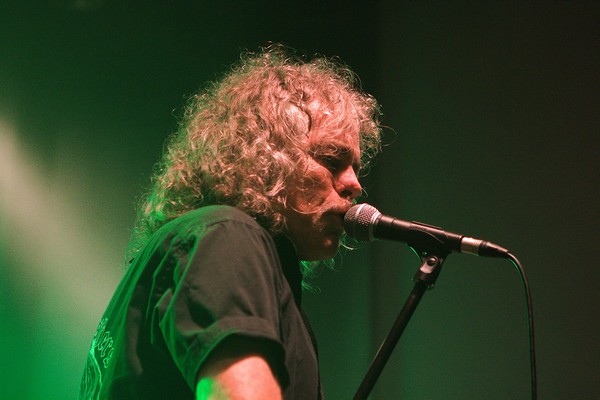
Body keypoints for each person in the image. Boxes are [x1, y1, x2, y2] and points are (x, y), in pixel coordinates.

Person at [78, 44, 382, 399]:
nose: (354, 184)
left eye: (355, 167)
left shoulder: (203, 242)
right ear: (268, 155)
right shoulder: (226, 236)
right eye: (331, 159)